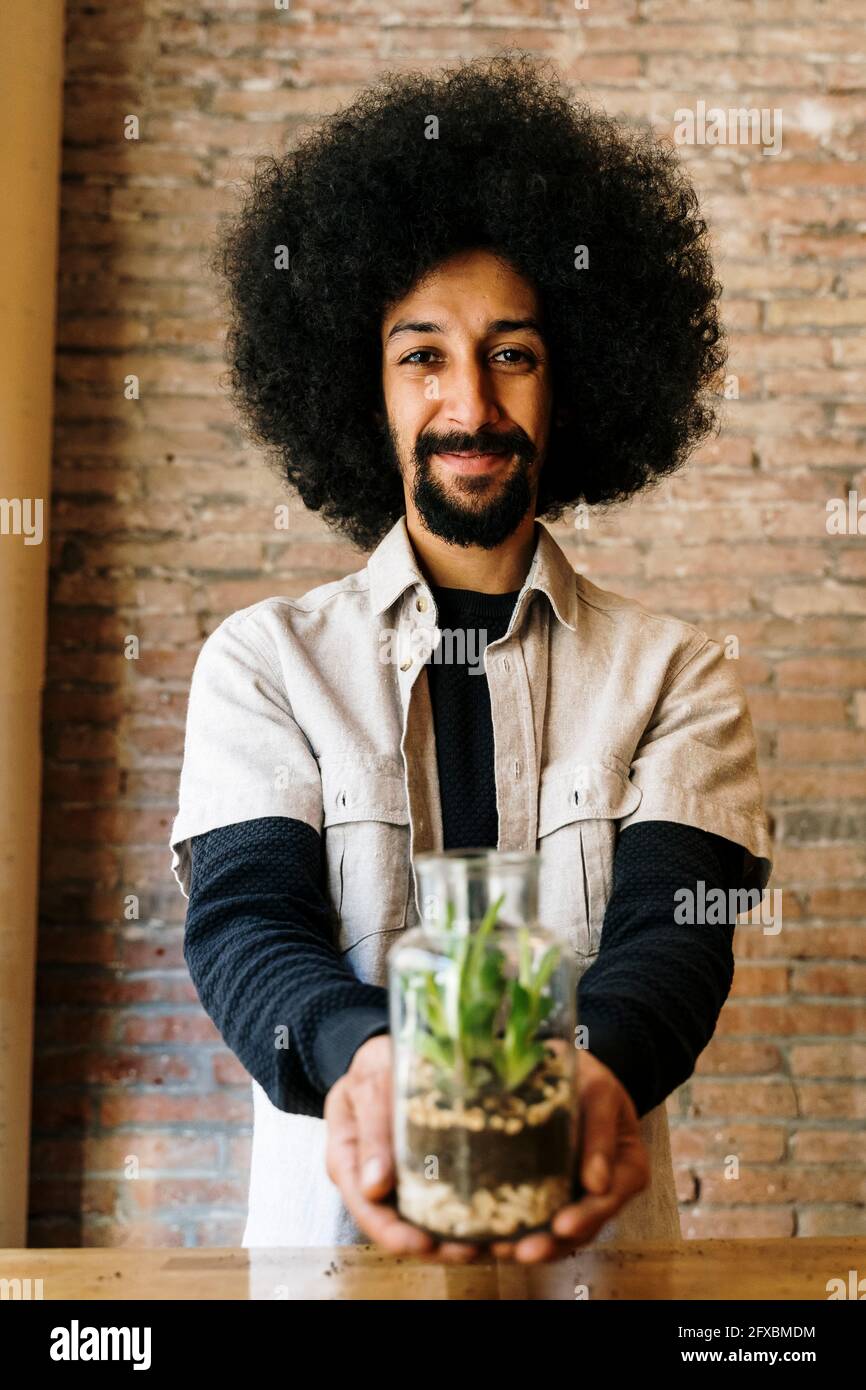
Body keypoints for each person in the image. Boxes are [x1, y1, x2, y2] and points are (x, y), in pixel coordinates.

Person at [168, 53, 773, 1264]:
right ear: (365, 392)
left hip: (592, 1256)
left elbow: (673, 939)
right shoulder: (263, 664)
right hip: (334, 1253)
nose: (469, 404)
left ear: (571, 383)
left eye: (511, 352)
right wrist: (371, 1065)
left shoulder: (674, 673)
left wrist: (585, 1075)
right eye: (421, 355)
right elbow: (247, 929)